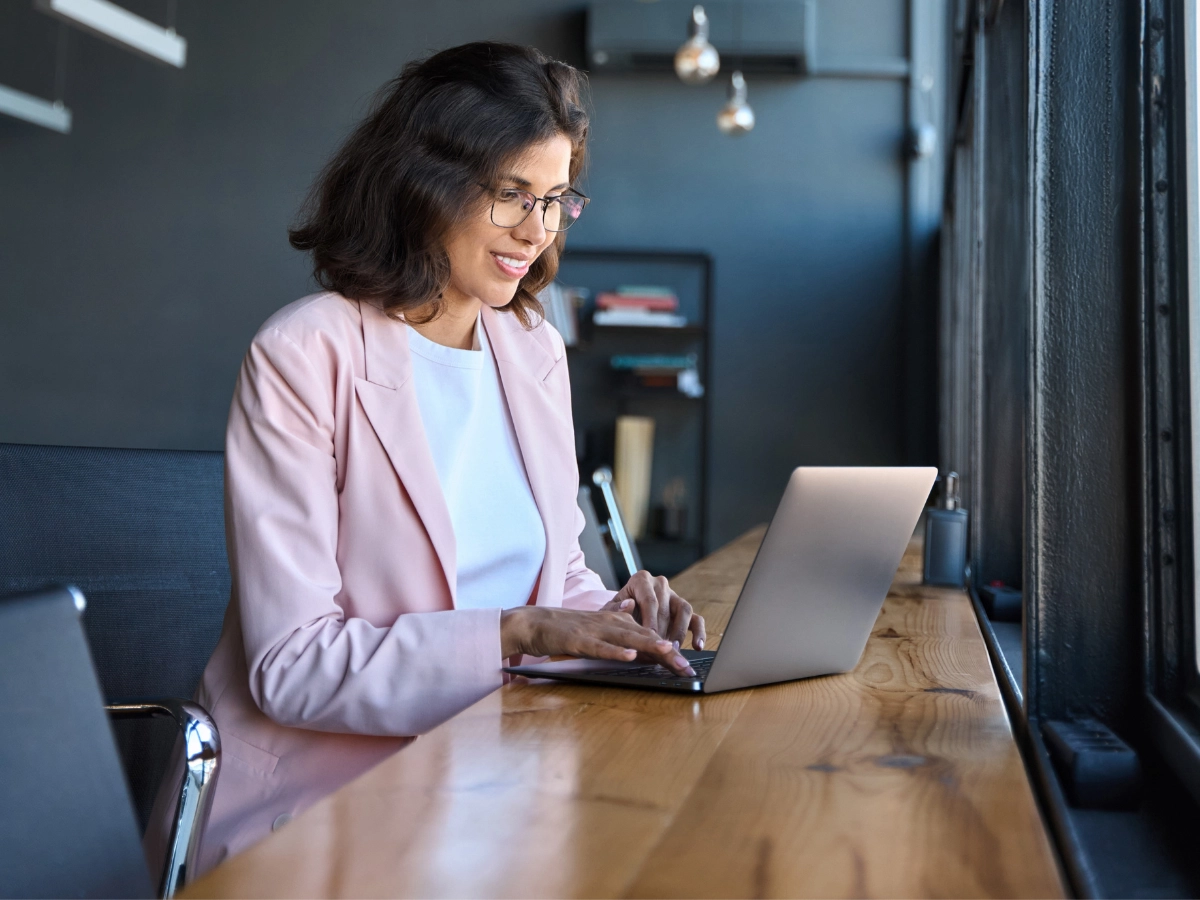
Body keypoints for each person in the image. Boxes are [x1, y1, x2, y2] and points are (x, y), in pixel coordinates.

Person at [189, 42, 706, 872]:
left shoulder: (533, 347)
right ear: (425, 184)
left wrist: (613, 617)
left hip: (505, 772)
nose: (536, 234)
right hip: (336, 809)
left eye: (555, 199)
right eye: (511, 196)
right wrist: (516, 632)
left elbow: (551, 575)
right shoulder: (303, 353)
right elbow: (291, 667)